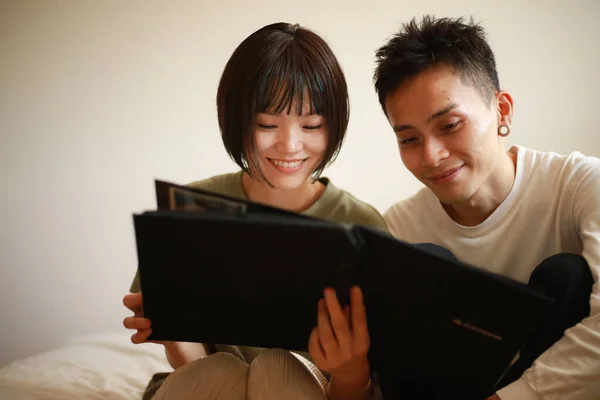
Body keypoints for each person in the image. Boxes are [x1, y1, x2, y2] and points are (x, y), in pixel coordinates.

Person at [123, 22, 386, 400]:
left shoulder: (363, 227)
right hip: (209, 384)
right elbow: (193, 365)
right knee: (222, 369)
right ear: (237, 120)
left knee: (280, 370)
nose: (290, 145)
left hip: (310, 391)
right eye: (267, 124)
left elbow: (359, 390)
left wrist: (350, 369)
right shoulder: (190, 211)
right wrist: (173, 330)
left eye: (311, 124)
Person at [373, 15, 599, 400]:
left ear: (503, 111)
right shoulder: (401, 224)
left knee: (567, 275)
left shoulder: (581, 184)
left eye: (449, 125)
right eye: (409, 139)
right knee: (427, 261)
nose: (432, 156)